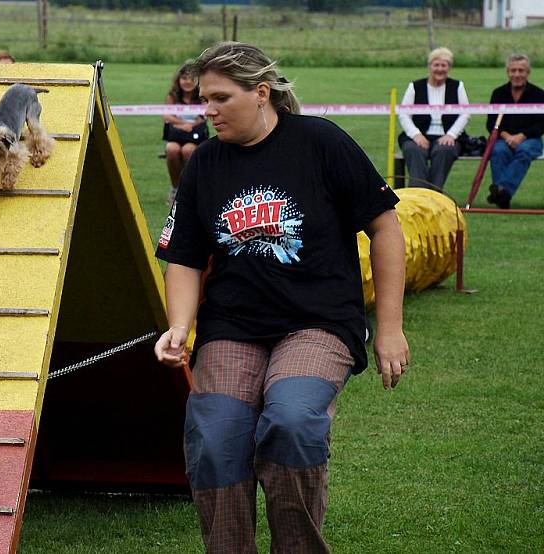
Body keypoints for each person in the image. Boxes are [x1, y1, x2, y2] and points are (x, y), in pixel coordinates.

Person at [154, 42, 409, 553]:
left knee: (292, 422)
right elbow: (182, 256)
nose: (208, 110)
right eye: (205, 98)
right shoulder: (204, 164)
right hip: (233, 325)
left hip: (318, 322)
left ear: (262, 93)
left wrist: (389, 327)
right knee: (215, 441)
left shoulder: (320, 142)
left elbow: (385, 228)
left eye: (221, 98)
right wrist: (180, 326)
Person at [398, 47, 470, 190]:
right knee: (414, 149)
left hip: (447, 136)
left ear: (449, 67)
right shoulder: (415, 86)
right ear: (429, 66)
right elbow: (404, 113)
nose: (440, 69)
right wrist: (416, 134)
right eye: (436, 65)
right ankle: (417, 193)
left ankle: (434, 193)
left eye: (444, 65)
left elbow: (465, 113)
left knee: (444, 150)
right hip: (419, 135)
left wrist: (451, 135)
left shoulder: (457, 86)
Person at [486, 53, 544, 209]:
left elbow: (541, 124)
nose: (517, 74)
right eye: (513, 70)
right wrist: (506, 136)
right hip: (503, 138)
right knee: (498, 151)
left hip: (530, 139)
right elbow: (491, 122)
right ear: (508, 72)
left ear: (528, 72)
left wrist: (521, 136)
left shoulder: (539, 94)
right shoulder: (498, 93)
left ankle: (501, 191)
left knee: (524, 151)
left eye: (521, 70)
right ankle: (503, 196)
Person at [163, 60, 208, 206]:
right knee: (172, 149)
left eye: (191, 78)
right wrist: (183, 125)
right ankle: (175, 188)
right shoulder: (173, 96)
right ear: (178, 80)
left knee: (188, 150)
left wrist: (192, 125)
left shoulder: (202, 96)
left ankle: (188, 189)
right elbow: (167, 116)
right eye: (184, 78)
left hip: (195, 135)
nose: (187, 82)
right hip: (177, 133)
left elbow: (205, 116)